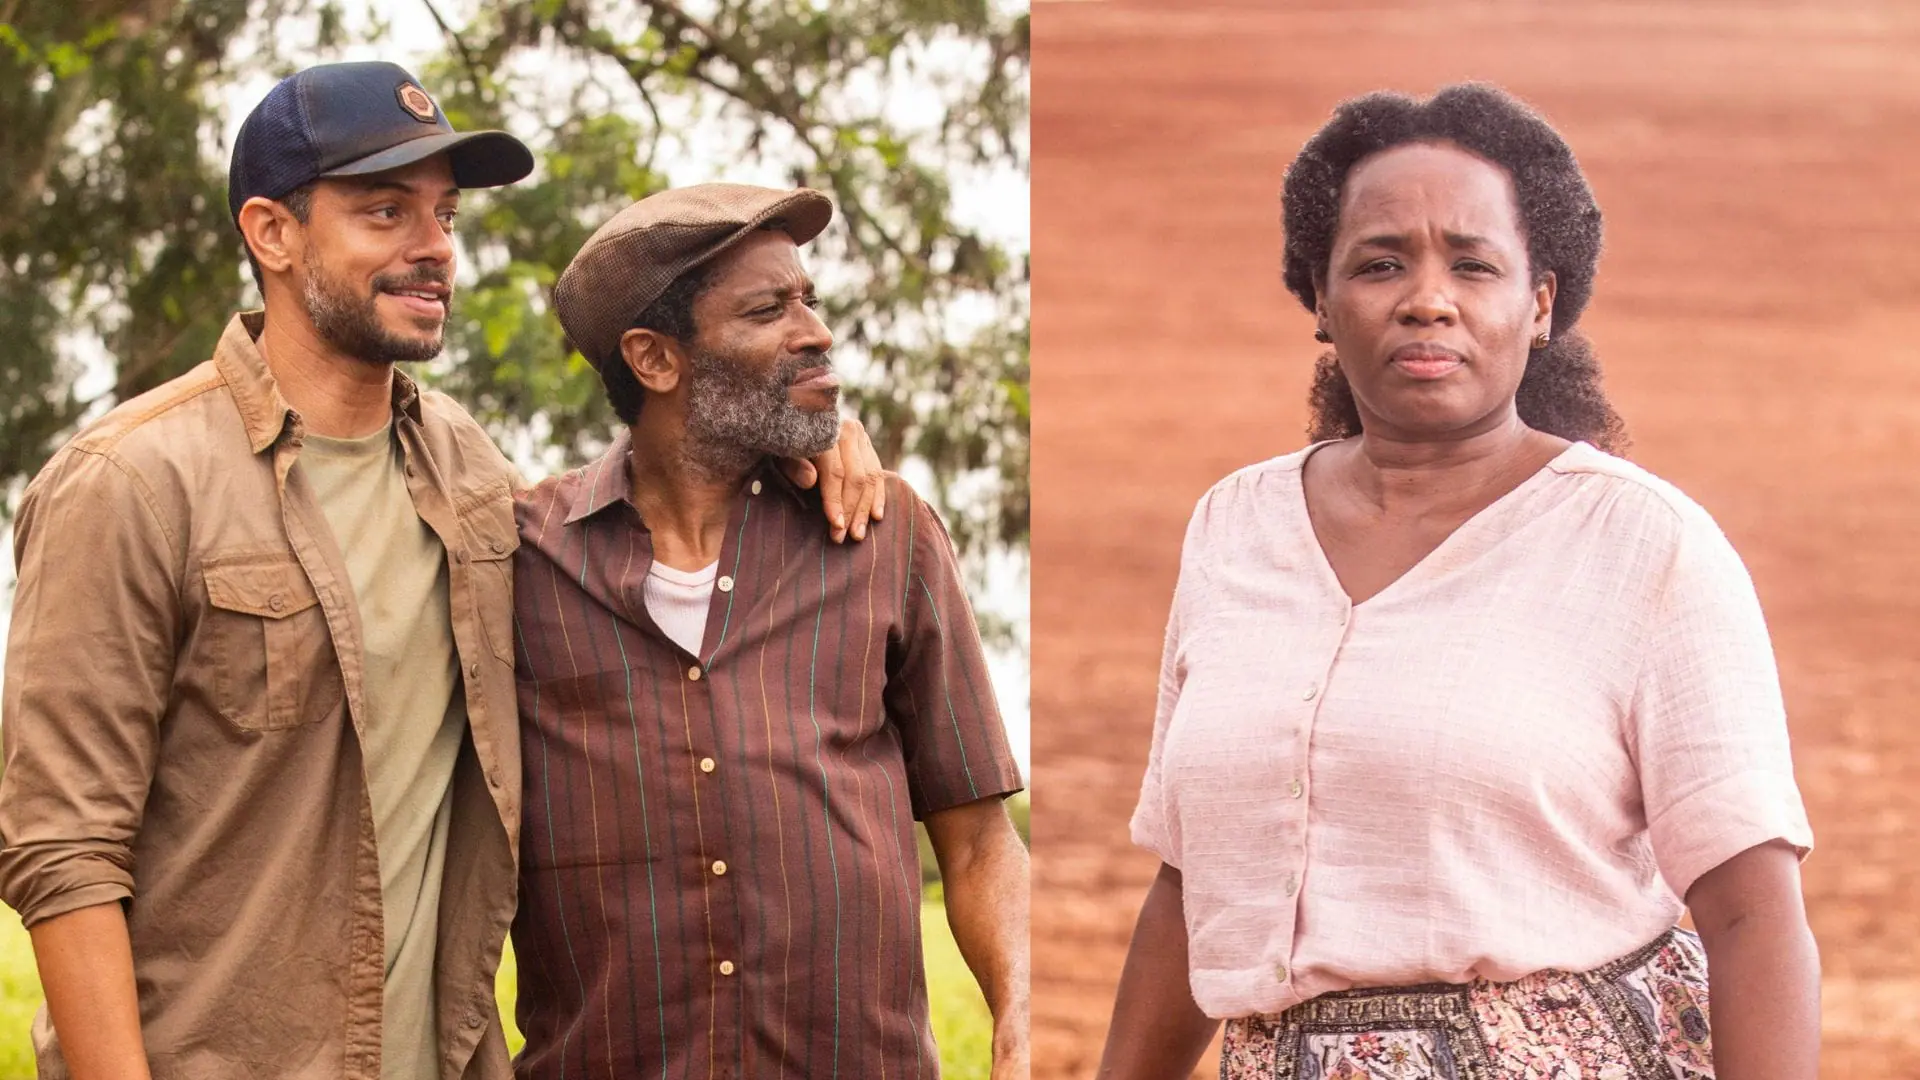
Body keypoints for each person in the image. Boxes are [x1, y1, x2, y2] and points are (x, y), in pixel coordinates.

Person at [0, 63, 880, 1080]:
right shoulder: (132, 483)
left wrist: (801, 436)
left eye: (446, 218)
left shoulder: (467, 471)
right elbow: (64, 852)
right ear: (271, 233)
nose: (434, 253)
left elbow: (646, 505)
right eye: (385, 213)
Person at [1097, 84, 1818, 1079]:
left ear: (1539, 303)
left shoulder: (1645, 546)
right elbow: (1189, 886)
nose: (1427, 297)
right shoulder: (1235, 528)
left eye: (1473, 265)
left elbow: (1751, 913)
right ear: (1320, 296)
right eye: (1380, 262)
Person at [509, 183, 1031, 1079]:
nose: (816, 332)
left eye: (810, 301)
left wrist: (1024, 1017)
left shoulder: (887, 533)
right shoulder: (516, 562)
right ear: (653, 358)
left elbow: (980, 841)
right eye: (767, 310)